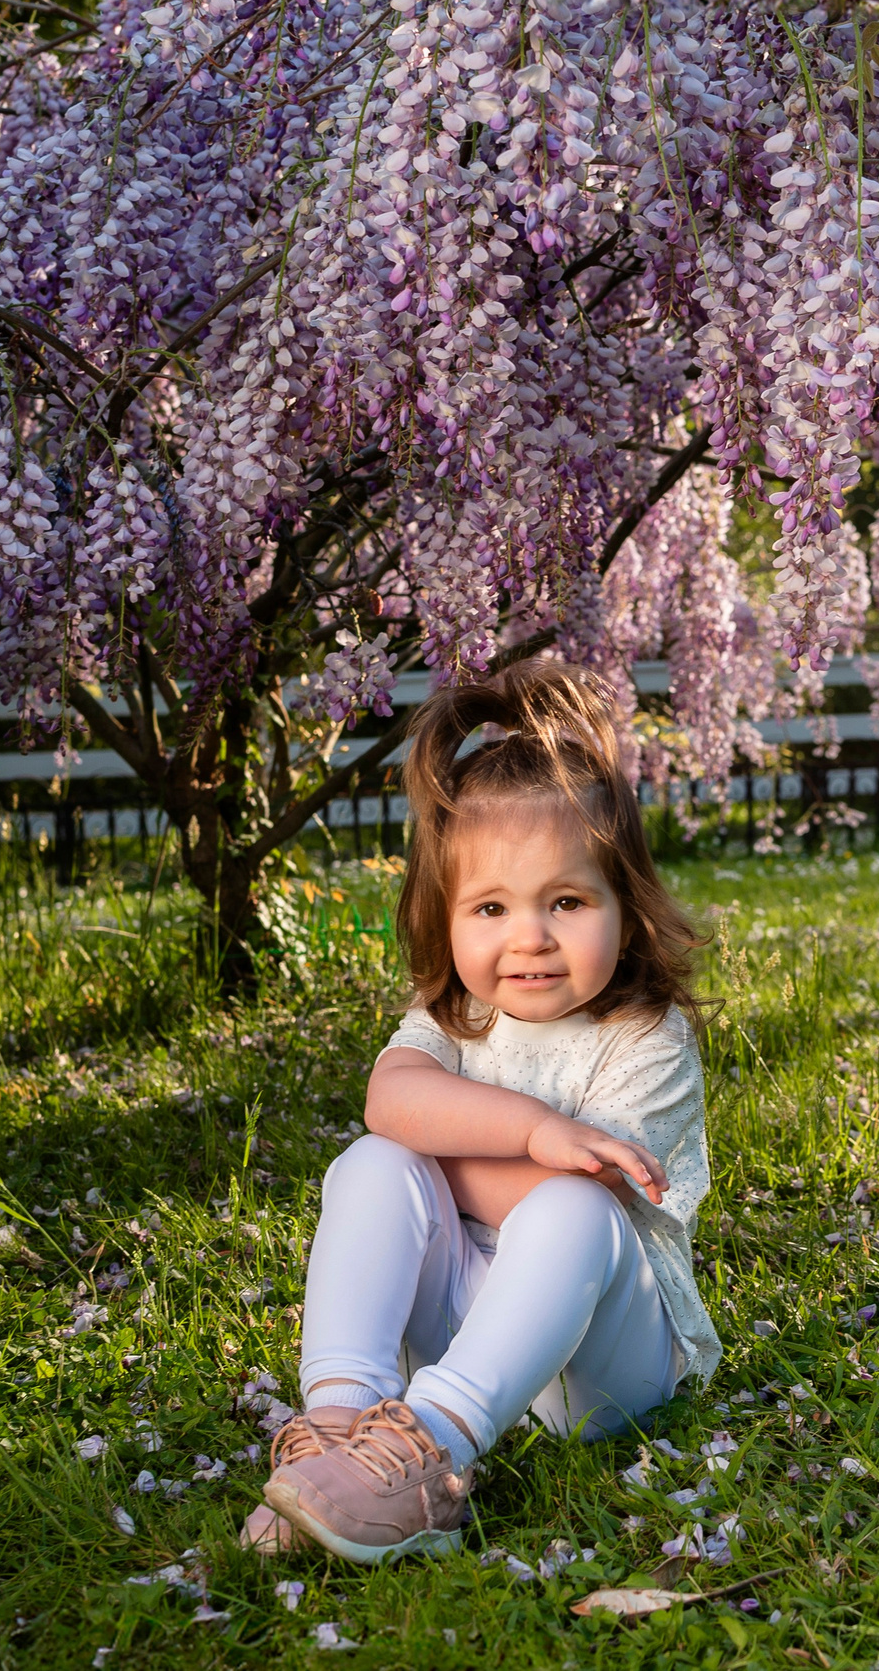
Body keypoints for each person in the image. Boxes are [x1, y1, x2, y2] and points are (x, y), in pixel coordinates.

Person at [241, 658, 721, 1563]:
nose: (529, 936)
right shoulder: (455, 1015)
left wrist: (447, 1150)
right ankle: (343, 1432)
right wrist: (535, 1132)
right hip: (463, 1335)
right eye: (491, 906)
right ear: (445, 918)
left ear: (626, 909)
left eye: (567, 901)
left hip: (604, 1371)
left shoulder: (645, 1035)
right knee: (373, 1161)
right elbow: (390, 1102)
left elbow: (594, 1197)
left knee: (572, 1205)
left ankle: (428, 1455)